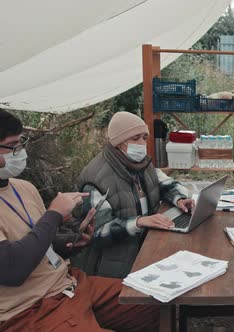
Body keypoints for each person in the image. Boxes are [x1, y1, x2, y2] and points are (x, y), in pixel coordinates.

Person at [0, 109, 158, 331]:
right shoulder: (99, 172)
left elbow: (38, 245)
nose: (20, 152)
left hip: (70, 285)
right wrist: (54, 215)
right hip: (29, 309)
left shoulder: (23, 187)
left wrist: (69, 244)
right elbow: (12, 270)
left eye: (21, 144)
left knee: (154, 303)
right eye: (13, 146)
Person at [72, 111, 194, 278]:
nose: (142, 144)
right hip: (112, 267)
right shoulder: (96, 178)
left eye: (144, 138)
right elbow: (98, 232)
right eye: (135, 138)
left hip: (145, 249)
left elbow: (166, 183)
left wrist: (180, 198)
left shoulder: (141, 164)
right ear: (118, 142)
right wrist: (139, 222)